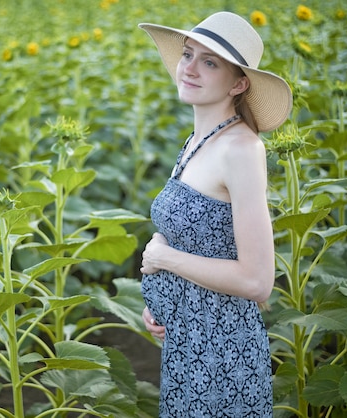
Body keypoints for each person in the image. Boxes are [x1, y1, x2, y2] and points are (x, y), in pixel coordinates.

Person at [137, 11, 292, 417]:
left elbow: (258, 281)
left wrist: (162, 258)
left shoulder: (241, 149)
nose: (189, 68)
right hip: (186, 343)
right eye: (188, 55)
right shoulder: (197, 140)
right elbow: (197, 236)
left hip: (223, 354)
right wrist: (161, 300)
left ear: (239, 83)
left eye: (210, 62)